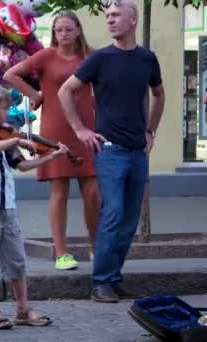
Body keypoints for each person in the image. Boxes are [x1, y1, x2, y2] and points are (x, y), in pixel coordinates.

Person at [58, 0, 165, 303]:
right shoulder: (100, 59)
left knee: (129, 220)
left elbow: (159, 93)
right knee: (113, 213)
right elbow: (66, 90)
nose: (110, 20)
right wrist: (80, 130)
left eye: (116, 15)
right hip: (110, 151)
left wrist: (150, 131)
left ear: (133, 20)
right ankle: (101, 281)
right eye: (107, 16)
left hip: (137, 152)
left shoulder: (147, 59)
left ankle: (113, 278)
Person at [0, 78, 66, 329]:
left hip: (8, 207)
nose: (8, 113)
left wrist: (51, 156)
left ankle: (22, 308)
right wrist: (16, 141)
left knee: (17, 260)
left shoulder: (3, 135)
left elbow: (23, 165)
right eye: (4, 107)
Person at [4, 11, 98, 271]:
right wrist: (35, 94)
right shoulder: (46, 56)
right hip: (56, 128)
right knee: (59, 191)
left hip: (87, 128)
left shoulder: (91, 55)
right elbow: (10, 75)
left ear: (78, 30)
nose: (64, 34)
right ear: (54, 33)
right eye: (59, 30)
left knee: (93, 192)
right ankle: (61, 253)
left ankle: (96, 248)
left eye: (69, 29)